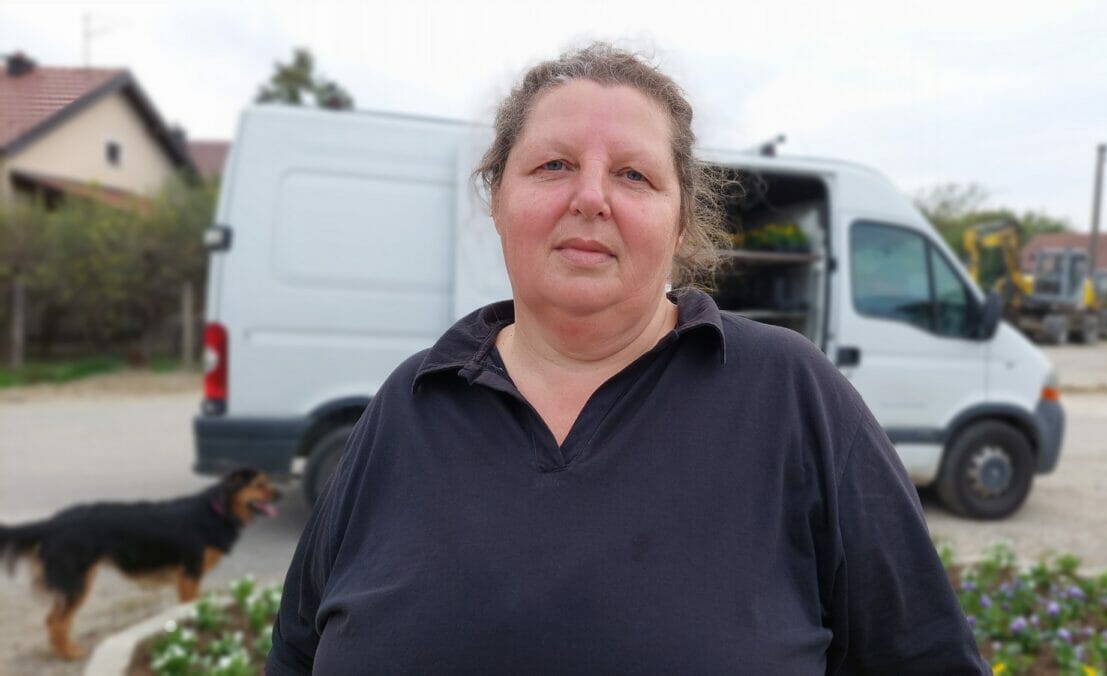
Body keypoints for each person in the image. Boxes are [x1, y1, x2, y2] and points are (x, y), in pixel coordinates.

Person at [268, 43, 987, 675]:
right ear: (498, 200)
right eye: (553, 165)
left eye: (635, 176)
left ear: (680, 222)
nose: (590, 197)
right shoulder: (409, 403)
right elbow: (297, 653)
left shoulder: (793, 396)